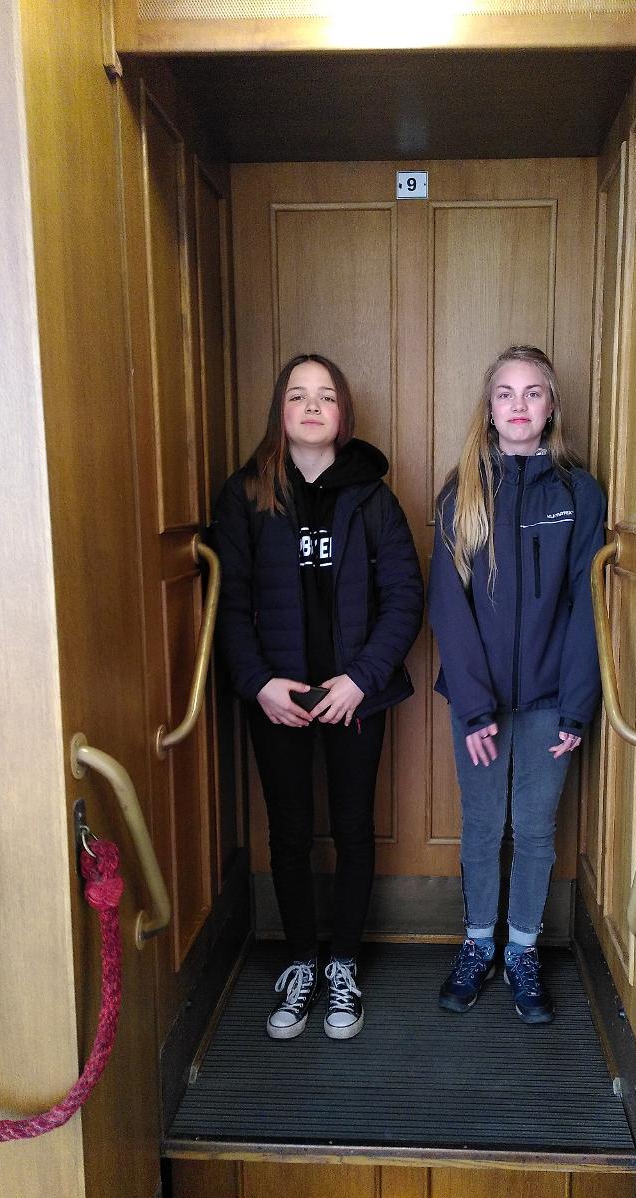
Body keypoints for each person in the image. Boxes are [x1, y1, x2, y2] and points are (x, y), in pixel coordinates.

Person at [213, 354, 423, 1041]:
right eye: (298, 395)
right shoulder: (246, 494)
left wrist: (362, 678)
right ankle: (302, 960)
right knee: (291, 833)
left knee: (354, 828)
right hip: (279, 696)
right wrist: (258, 683)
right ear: (279, 410)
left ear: (342, 413)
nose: (311, 406)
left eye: (325, 396)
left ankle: (343, 965)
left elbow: (405, 597)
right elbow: (228, 603)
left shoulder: (373, 496)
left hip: (353, 695)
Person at [428, 344, 605, 1024]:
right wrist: (474, 709)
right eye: (506, 393)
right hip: (480, 703)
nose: (520, 405)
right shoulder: (463, 491)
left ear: (551, 406)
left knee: (533, 827)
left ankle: (523, 949)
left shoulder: (578, 493)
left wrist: (576, 706)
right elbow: (449, 605)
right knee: (482, 825)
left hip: (551, 702)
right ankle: (479, 943)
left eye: (534, 393)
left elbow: (588, 605)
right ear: (490, 407)